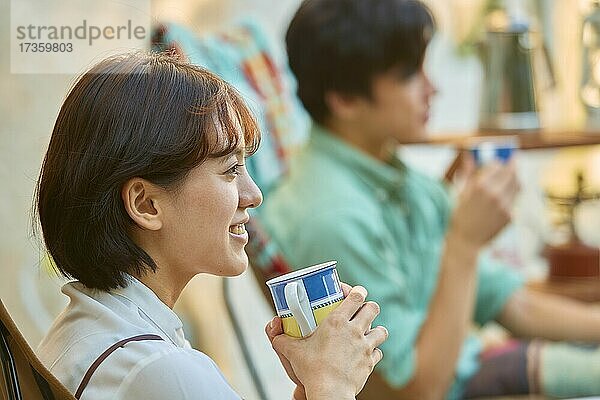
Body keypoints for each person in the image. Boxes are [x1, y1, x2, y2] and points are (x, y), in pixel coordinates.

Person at [261, 0, 600, 399]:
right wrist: (464, 245)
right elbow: (418, 389)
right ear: (345, 99)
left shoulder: (397, 176)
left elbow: (510, 302)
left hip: (483, 364)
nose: (432, 87)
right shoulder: (330, 218)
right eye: (409, 74)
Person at [34, 51, 388, 400]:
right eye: (231, 170)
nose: (253, 195)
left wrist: (315, 388)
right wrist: (333, 385)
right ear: (146, 204)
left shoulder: (91, 334)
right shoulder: (157, 369)